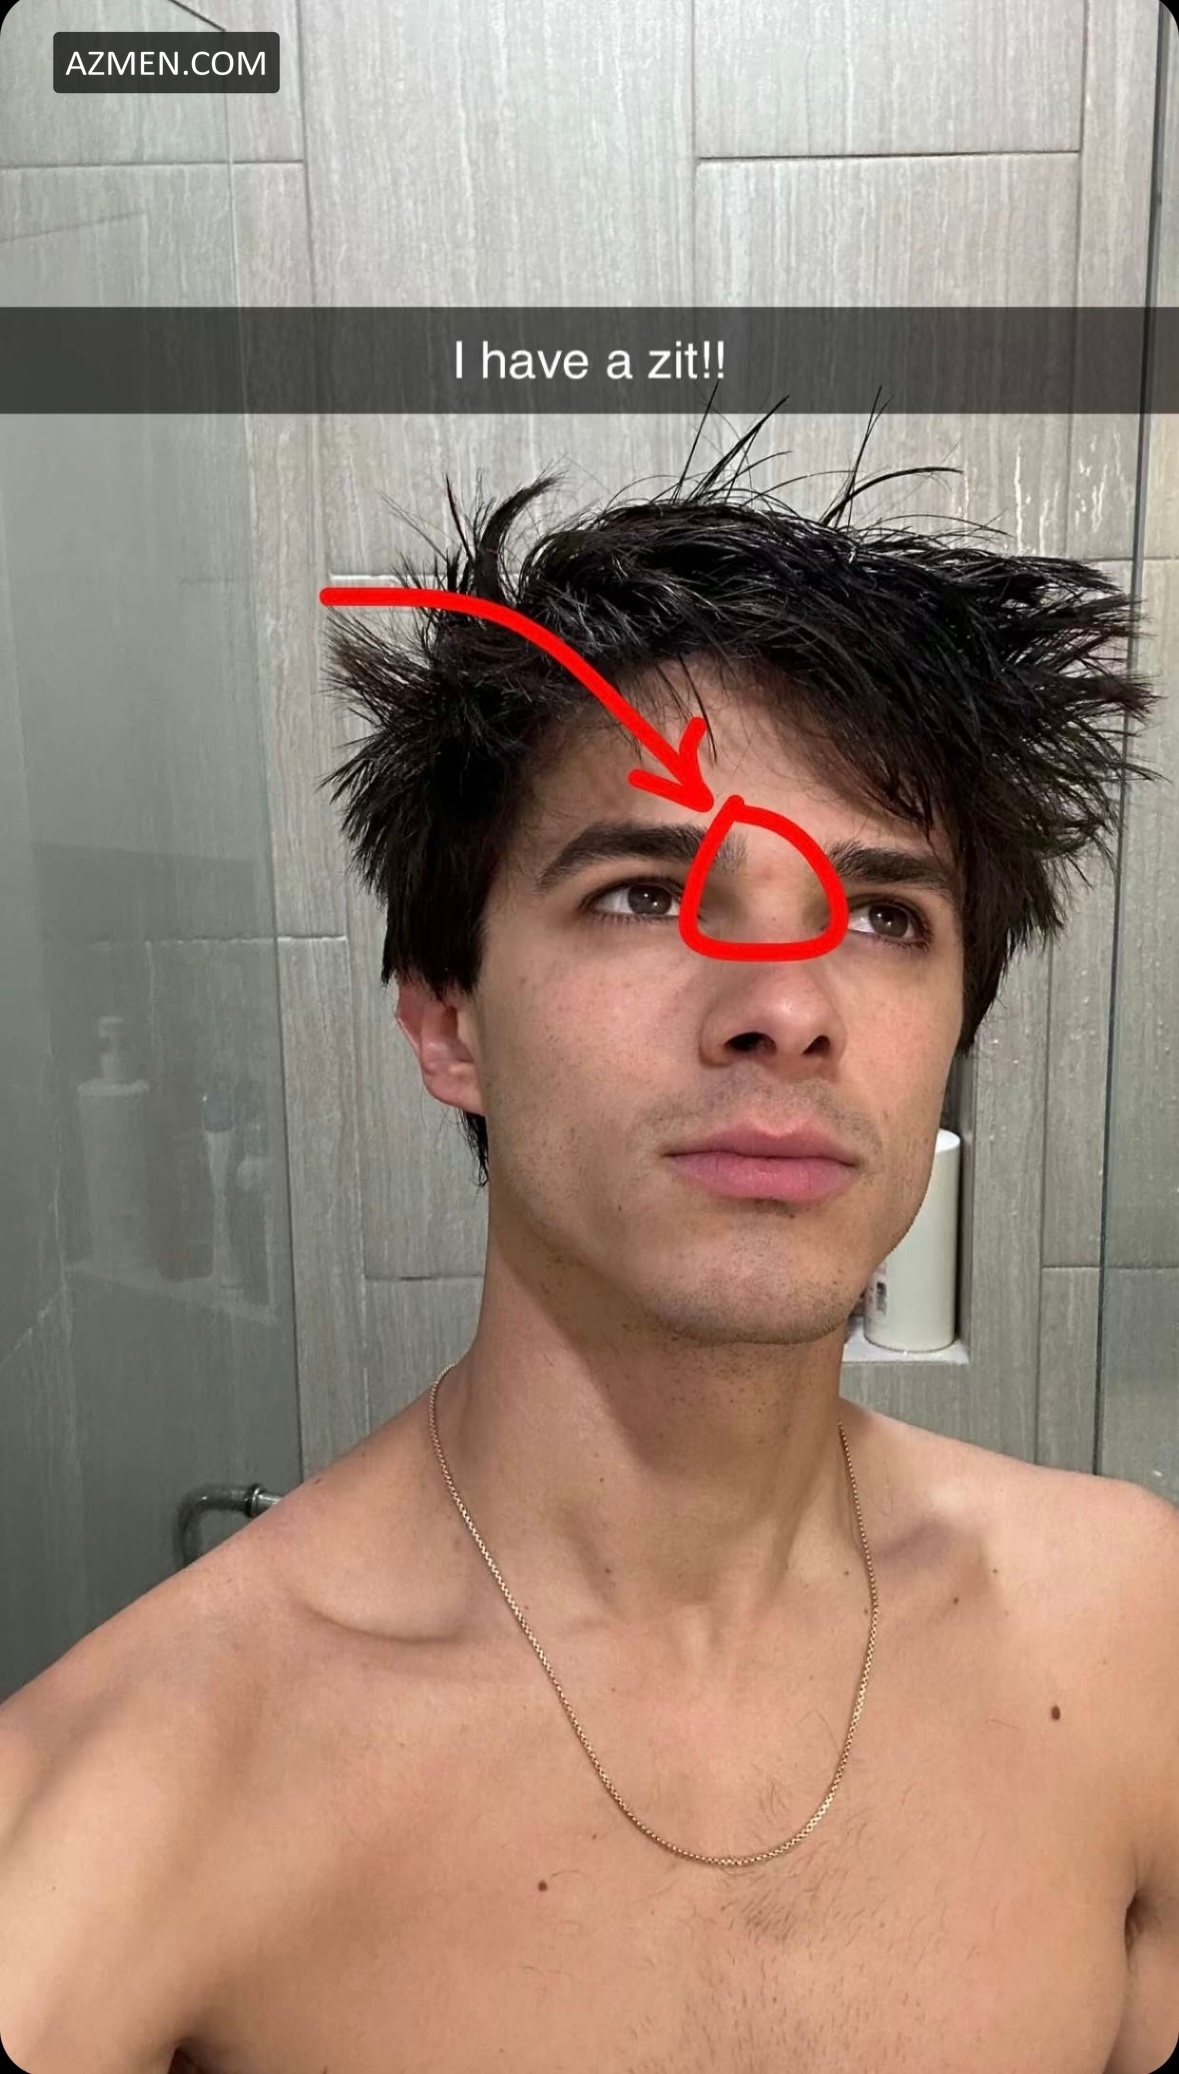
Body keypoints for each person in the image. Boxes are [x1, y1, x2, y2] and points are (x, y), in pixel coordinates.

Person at [1, 415, 1177, 2074]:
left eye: (883, 914)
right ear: (448, 1018)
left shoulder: (1127, 1633)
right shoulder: (137, 1794)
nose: (786, 1008)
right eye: (643, 890)